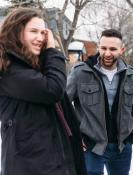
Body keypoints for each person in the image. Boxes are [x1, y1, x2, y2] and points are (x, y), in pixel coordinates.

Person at [0, 8, 86, 175]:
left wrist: (76, 135)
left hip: (53, 159)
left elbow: (61, 103)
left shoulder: (34, 67)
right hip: (30, 165)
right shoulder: (8, 69)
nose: (40, 38)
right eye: (33, 31)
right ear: (17, 32)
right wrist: (52, 50)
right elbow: (53, 89)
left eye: (43, 33)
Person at [66, 29, 133, 175]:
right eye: (103, 48)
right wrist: (75, 137)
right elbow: (63, 106)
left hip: (121, 148)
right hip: (91, 147)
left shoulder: (130, 74)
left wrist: (131, 135)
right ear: (98, 47)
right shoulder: (80, 72)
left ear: (122, 50)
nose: (107, 53)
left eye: (113, 49)